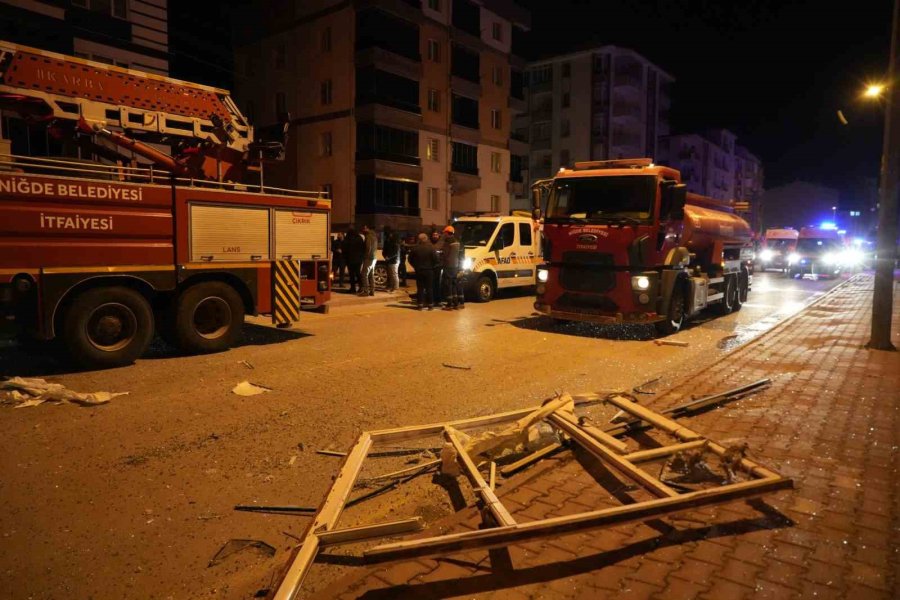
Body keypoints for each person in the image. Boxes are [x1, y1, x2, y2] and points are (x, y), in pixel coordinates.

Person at [408, 232, 438, 310]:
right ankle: (430, 305)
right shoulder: (431, 248)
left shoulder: (415, 248)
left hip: (419, 270)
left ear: (419, 240)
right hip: (429, 270)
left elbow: (410, 259)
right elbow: (436, 259)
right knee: (429, 288)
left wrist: (415, 266)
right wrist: (433, 266)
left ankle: (420, 304)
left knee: (420, 288)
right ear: (426, 239)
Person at [440, 225, 461, 310]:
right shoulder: (457, 242)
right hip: (455, 266)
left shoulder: (447, 242)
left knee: (448, 284)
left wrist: (441, 256)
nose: (443, 235)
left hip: (448, 265)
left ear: (447, 233)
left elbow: (445, 254)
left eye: (444, 233)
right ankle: (456, 303)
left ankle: (449, 304)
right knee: (454, 284)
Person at [342, 227, 364, 294]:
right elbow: (363, 248)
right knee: (358, 273)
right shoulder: (360, 238)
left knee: (351, 275)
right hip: (358, 260)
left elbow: (344, 248)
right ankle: (361, 287)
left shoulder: (348, 238)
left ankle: (353, 289)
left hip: (350, 259)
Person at [358, 224, 377, 296]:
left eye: (364, 228)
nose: (363, 230)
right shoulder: (374, 236)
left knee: (364, 274)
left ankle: (366, 291)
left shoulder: (368, 236)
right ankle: (372, 291)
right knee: (371, 274)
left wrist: (365, 255)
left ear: (368, 228)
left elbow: (368, 247)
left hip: (369, 258)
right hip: (374, 257)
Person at [382, 225, 400, 293]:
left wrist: (388, 257)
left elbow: (395, 251)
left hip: (394, 260)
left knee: (394, 274)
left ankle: (395, 288)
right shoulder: (388, 239)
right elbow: (385, 249)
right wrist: (385, 256)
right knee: (391, 274)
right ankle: (391, 286)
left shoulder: (395, 240)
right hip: (390, 259)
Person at [430, 228, 444, 305]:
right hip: (431, 266)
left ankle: (438, 300)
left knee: (437, 284)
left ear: (439, 236)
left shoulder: (441, 244)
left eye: (436, 235)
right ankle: (431, 299)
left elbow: (444, 254)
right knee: (431, 284)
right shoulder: (429, 244)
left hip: (438, 266)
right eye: (434, 235)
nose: (435, 236)